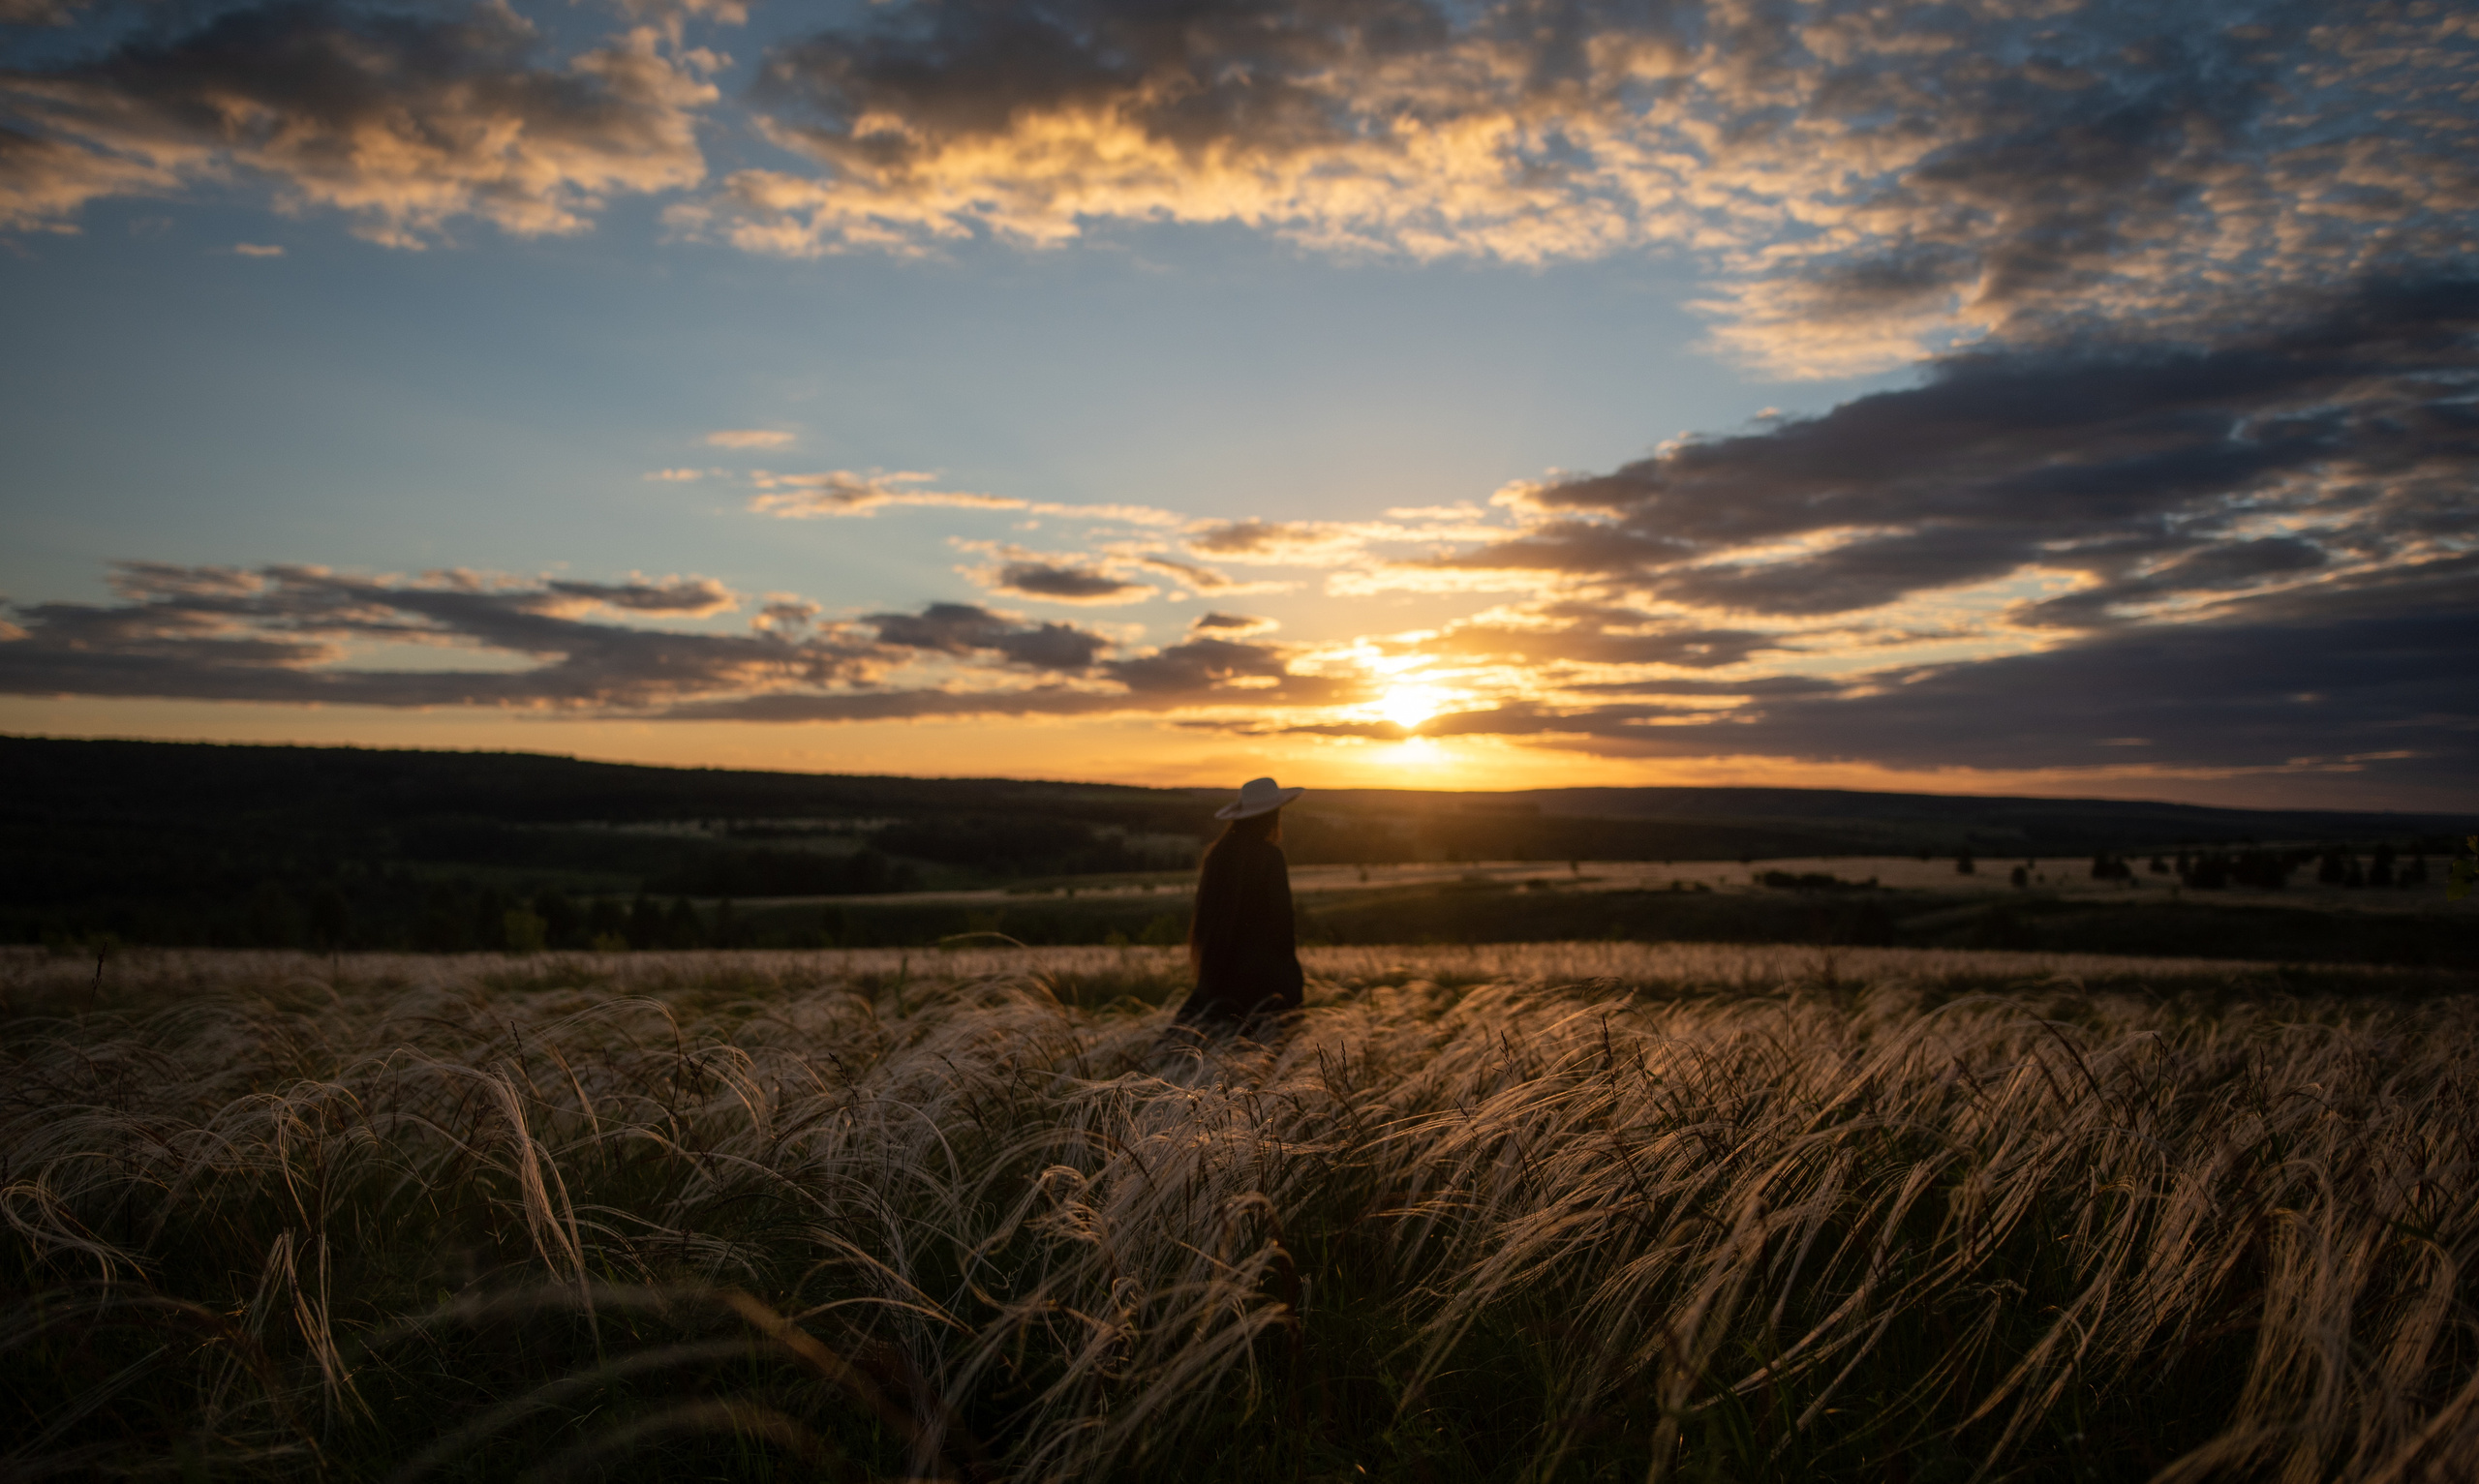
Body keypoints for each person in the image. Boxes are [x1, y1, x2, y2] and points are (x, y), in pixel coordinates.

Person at [1172, 776, 1306, 1035]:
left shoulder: (1217, 855)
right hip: (1265, 982)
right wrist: (1291, 980)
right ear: (1272, 815)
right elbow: (1283, 926)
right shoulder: (1271, 857)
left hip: (1219, 977)